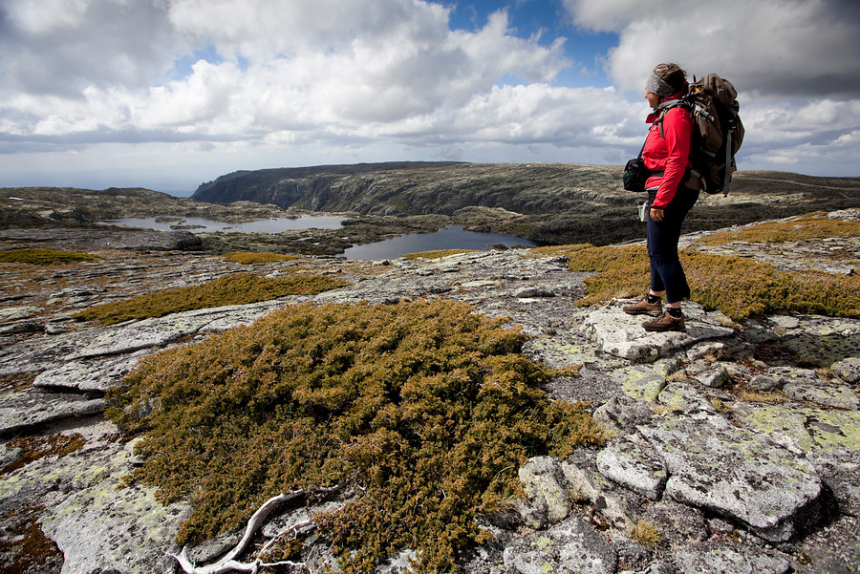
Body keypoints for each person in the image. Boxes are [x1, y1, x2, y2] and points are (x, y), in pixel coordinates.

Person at [623, 63, 700, 332]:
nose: (645, 93)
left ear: (661, 91)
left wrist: (662, 201)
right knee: (656, 250)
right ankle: (653, 300)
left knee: (662, 253)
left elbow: (677, 161)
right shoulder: (668, 112)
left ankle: (675, 314)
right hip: (663, 188)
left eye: (649, 88)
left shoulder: (676, 115)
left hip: (671, 192)